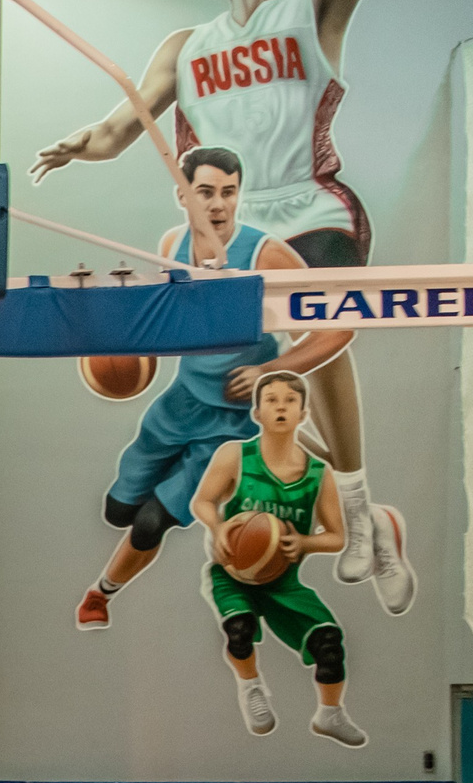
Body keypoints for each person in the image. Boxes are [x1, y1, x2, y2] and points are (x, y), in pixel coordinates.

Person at [34, 0, 409, 593]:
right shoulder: (186, 47)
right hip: (230, 233)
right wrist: (79, 145)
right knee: (248, 398)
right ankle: (369, 515)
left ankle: (354, 511)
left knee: (317, 321)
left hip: (311, 208)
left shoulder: (315, 4)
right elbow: (118, 130)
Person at [70, 148, 375, 630]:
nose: (218, 205)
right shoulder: (171, 245)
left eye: (228, 193)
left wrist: (270, 369)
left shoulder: (265, 255)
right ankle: (334, 473)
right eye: (206, 193)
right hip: (180, 405)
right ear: (182, 195)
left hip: (229, 424)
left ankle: (100, 594)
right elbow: (168, 324)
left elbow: (339, 326)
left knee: (151, 522)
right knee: (118, 511)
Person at [188, 371, 368, 746]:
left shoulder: (319, 473)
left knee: (329, 644)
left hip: (283, 580)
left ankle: (330, 713)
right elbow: (202, 501)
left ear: (304, 413)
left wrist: (304, 543)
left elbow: (337, 537)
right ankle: (251, 686)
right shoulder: (235, 455)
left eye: (290, 400)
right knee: (238, 631)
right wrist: (218, 528)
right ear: (257, 412)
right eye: (271, 400)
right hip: (233, 573)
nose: (281, 407)